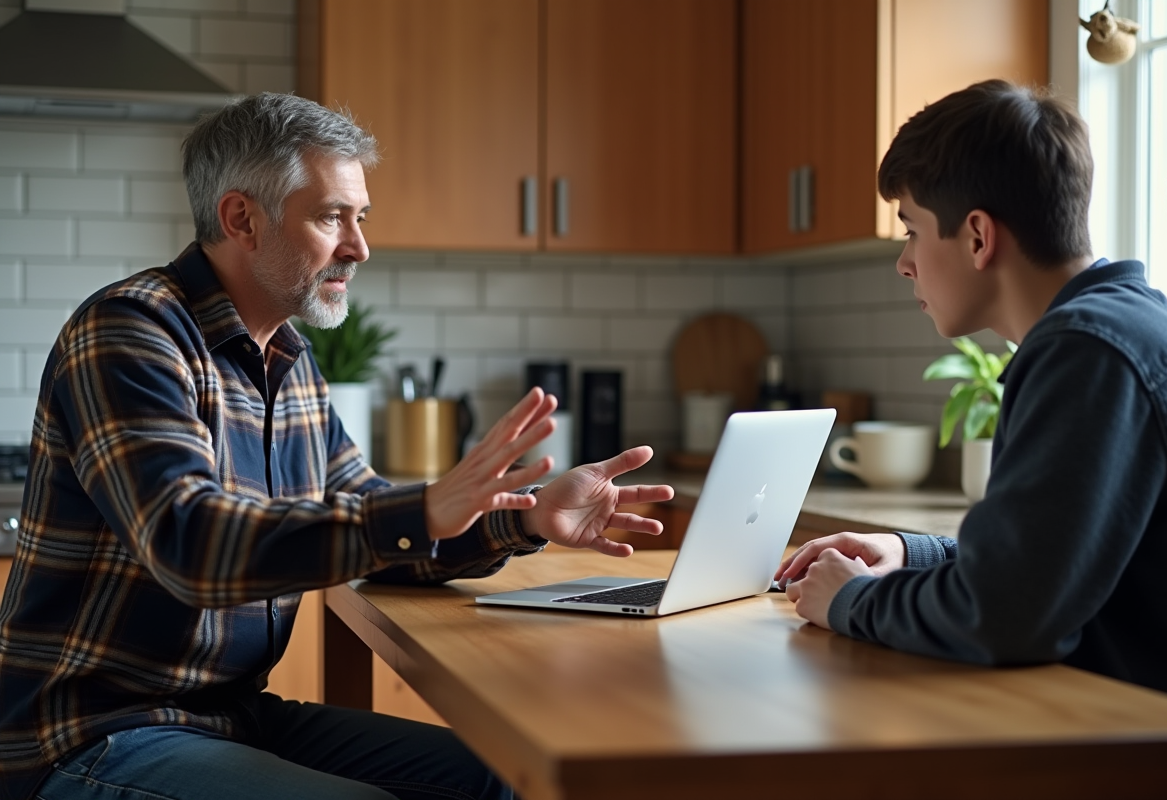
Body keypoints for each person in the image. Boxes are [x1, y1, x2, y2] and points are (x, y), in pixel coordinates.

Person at [0, 93, 673, 800]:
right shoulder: (132, 331)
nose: (359, 246)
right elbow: (190, 544)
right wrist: (416, 514)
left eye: (361, 217)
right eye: (331, 217)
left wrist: (529, 516)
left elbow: (378, 519)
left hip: (230, 715)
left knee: (498, 779)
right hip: (92, 732)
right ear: (241, 219)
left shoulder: (291, 362)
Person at [776, 79, 1167, 702]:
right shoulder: (1113, 327)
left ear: (977, 236)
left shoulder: (1089, 351)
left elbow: (1006, 615)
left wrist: (853, 599)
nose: (905, 263)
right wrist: (910, 554)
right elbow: (1042, 563)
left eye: (912, 230)